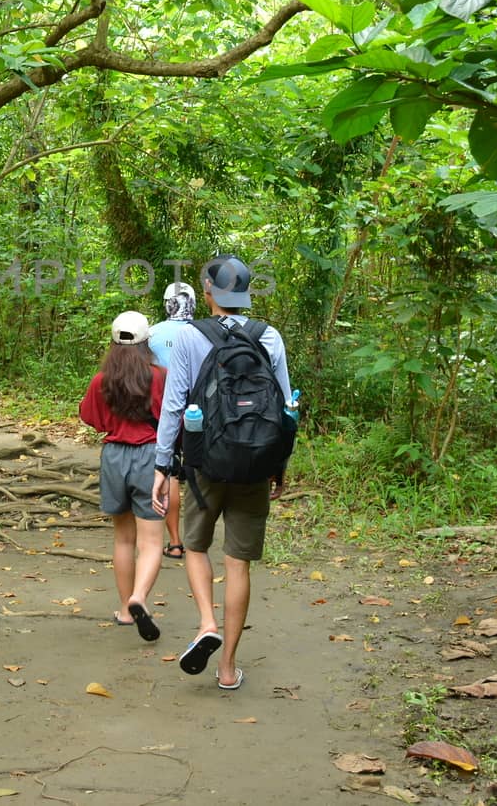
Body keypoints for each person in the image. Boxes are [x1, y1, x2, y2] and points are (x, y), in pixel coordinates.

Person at [151, 256, 291, 691]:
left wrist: (161, 465)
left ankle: (207, 622)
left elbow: (174, 404)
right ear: (246, 292)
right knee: (239, 563)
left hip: (203, 463)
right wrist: (279, 463)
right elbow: (286, 407)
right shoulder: (269, 336)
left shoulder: (191, 337)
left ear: (208, 292)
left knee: (194, 545)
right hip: (254, 465)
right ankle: (228, 668)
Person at [78, 311, 167, 642]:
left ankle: (125, 610)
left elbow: (92, 418)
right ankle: (139, 597)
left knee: (123, 539)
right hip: (150, 457)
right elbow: (173, 419)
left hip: (114, 457)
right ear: (146, 342)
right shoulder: (159, 377)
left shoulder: (102, 381)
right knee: (152, 541)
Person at [146, 281, 197, 561]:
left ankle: (175, 541)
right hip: (200, 414)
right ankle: (200, 535)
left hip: (163, 414)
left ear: (167, 303)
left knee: (171, 472)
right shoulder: (204, 333)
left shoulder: (152, 334)